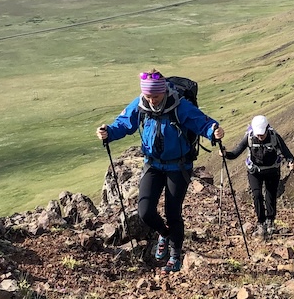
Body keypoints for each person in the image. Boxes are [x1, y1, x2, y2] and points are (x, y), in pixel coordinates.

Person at [96, 69, 224, 273]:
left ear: (163, 91)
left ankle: (175, 254)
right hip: (153, 165)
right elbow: (123, 124)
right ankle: (163, 234)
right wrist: (108, 132)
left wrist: (214, 132)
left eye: (156, 96)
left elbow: (202, 122)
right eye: (149, 96)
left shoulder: (180, 105)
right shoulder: (140, 105)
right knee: (145, 211)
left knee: (173, 213)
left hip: (178, 166)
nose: (152, 100)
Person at [223, 115, 294, 238]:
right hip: (254, 172)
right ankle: (261, 222)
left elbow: (286, 152)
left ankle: (270, 221)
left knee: (271, 195)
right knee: (257, 195)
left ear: (267, 129)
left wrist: (291, 162)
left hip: (272, 171)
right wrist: (225, 154)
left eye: (262, 134)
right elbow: (235, 153)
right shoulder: (249, 137)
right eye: (258, 134)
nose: (260, 137)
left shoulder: (274, 137)